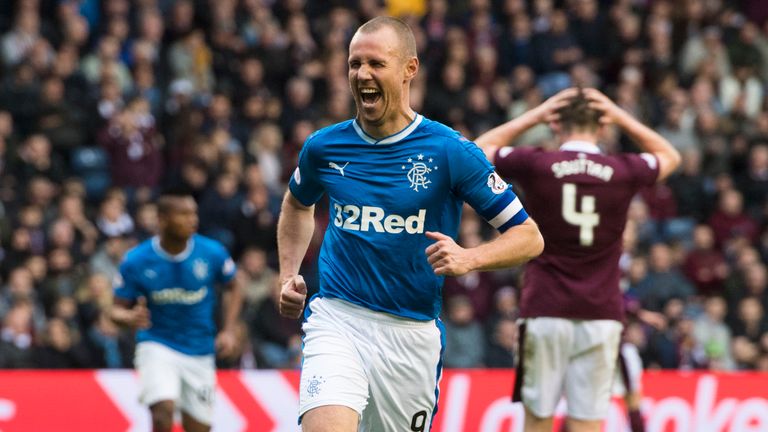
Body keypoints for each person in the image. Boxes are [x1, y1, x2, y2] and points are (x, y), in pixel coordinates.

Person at [277, 16, 544, 432]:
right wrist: (288, 275)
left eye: (375, 64)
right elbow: (296, 204)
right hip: (337, 319)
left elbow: (529, 237)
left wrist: (470, 258)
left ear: (410, 69)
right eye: (354, 64)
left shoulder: (450, 151)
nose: (362, 74)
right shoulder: (324, 147)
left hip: (410, 336)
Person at [475, 87, 681, 432]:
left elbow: (476, 151)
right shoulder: (622, 169)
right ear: (602, 128)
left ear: (556, 126)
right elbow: (670, 155)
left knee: (538, 420)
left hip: (545, 307)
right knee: (587, 423)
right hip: (601, 312)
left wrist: (535, 114)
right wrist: (619, 114)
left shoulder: (539, 163)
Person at [110, 192, 243, 432]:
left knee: (198, 427)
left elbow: (234, 286)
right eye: (183, 214)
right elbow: (115, 311)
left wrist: (229, 330)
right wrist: (128, 318)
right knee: (162, 413)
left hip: (200, 349)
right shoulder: (136, 261)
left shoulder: (211, 253)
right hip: (157, 344)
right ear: (162, 219)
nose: (192, 219)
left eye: (193, 213)